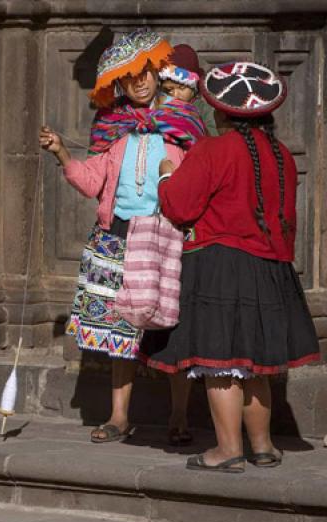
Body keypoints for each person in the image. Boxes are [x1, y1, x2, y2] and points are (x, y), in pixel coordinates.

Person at [148, 62, 320, 472]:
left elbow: (179, 207)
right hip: (270, 266)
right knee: (255, 362)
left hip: (221, 263)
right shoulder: (281, 156)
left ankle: (227, 449)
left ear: (220, 111)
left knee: (220, 361)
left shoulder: (212, 149)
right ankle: (262, 446)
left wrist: (166, 178)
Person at [40, 28, 205, 444]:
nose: (141, 82)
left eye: (147, 73)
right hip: (116, 236)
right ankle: (118, 416)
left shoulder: (181, 126)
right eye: (131, 77)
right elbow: (94, 180)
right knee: (119, 331)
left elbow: (197, 181)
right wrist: (62, 153)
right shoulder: (113, 128)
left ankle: (180, 416)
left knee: (171, 328)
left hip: (166, 236)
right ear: (119, 83)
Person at [159, 44, 219, 136]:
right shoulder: (161, 105)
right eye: (169, 89)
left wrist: (198, 123)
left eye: (181, 88)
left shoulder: (205, 110)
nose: (175, 94)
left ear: (194, 87)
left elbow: (214, 137)